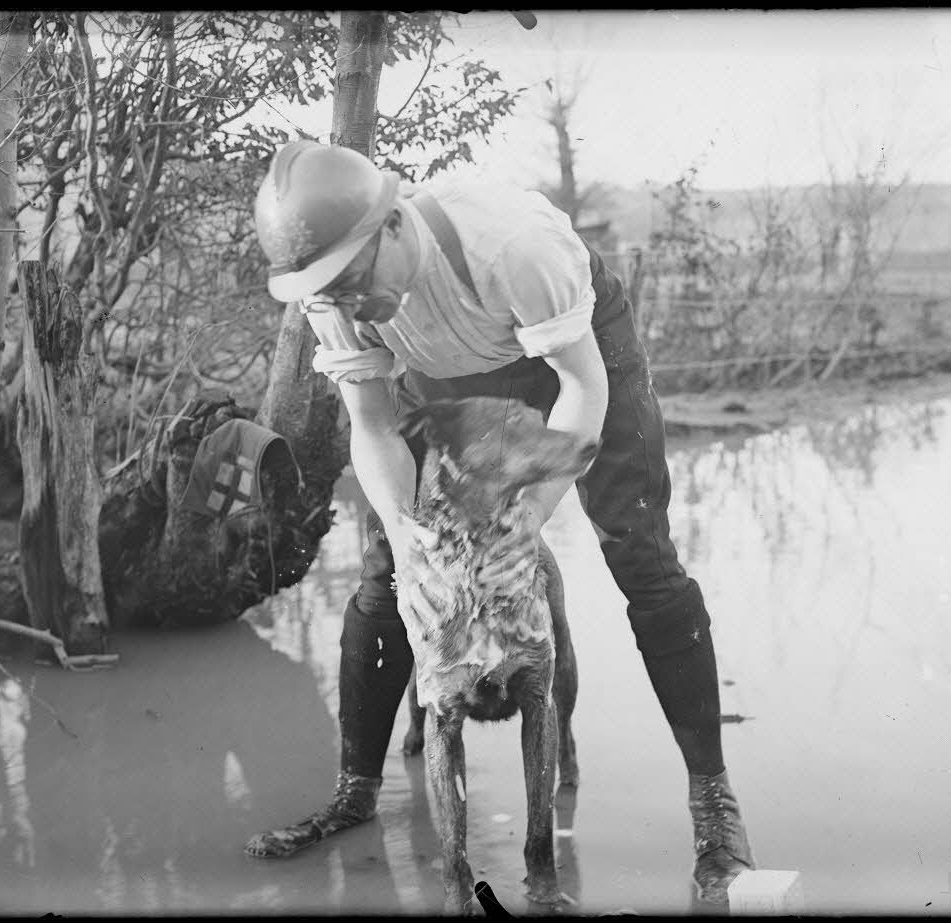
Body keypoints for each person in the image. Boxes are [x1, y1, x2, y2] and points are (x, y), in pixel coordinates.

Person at [244, 139, 754, 904]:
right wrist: (406, 526)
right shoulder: (336, 301)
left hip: (570, 350)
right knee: (391, 569)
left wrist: (528, 513)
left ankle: (713, 804)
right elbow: (373, 426)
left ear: (390, 224)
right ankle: (357, 790)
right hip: (445, 371)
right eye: (329, 294)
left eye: (354, 282)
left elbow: (580, 387)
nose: (347, 305)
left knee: (638, 550)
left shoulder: (515, 246)